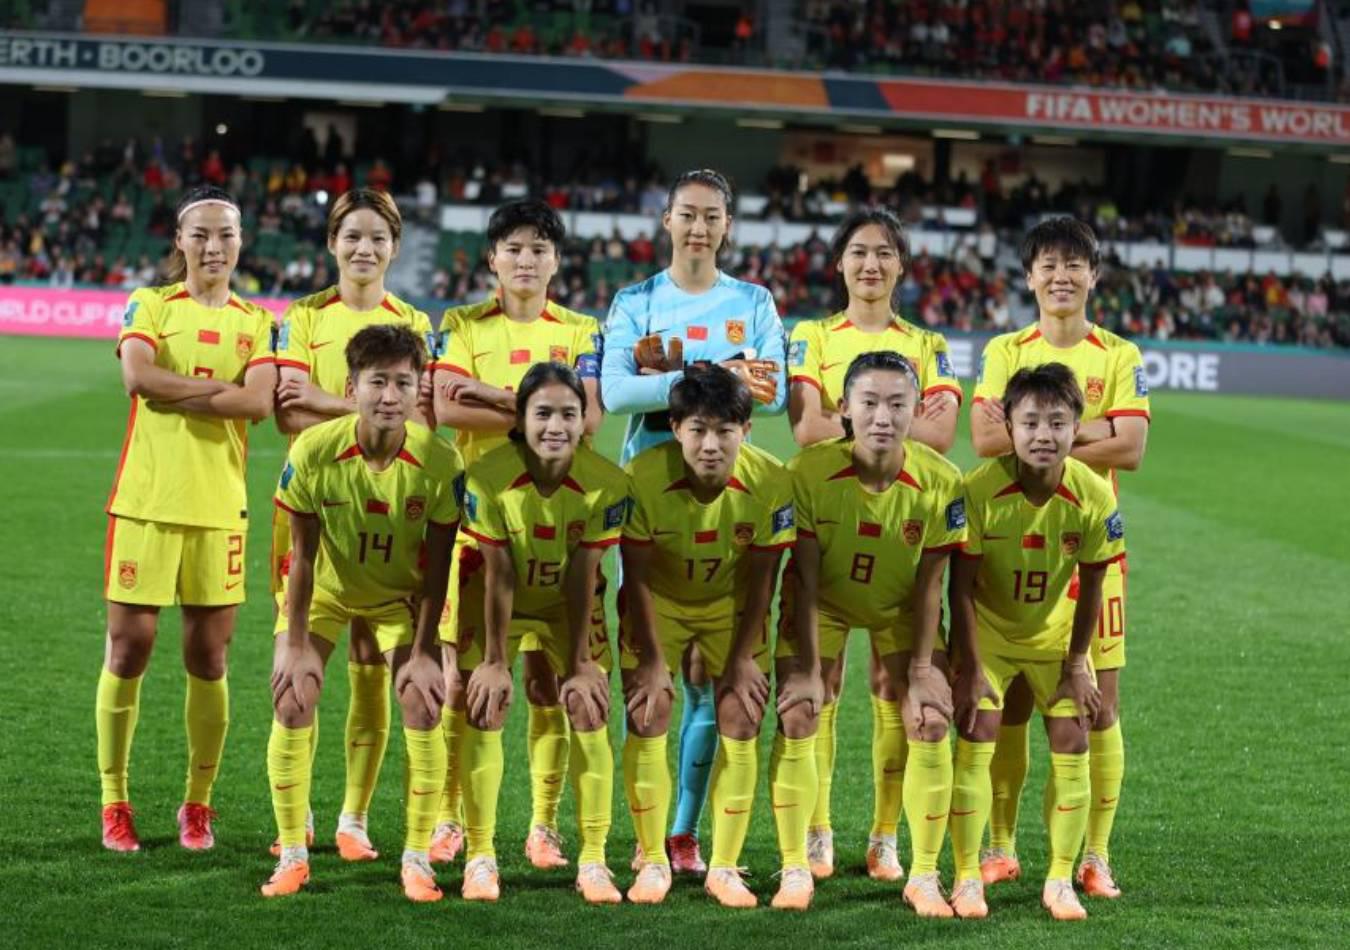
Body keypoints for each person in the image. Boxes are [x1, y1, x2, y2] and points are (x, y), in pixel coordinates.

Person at [601, 168, 786, 874]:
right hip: (650, 492)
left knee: (711, 672)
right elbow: (614, 391)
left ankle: (682, 832)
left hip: (726, 492)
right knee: (649, 671)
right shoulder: (636, 300)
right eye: (688, 213)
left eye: (712, 215)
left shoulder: (754, 300)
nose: (699, 227)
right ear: (667, 220)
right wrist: (711, 377)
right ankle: (646, 835)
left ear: (727, 225)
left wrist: (686, 379)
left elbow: (772, 393)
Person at [970, 217, 1150, 898]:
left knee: (1099, 707)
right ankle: (1001, 845)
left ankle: (1095, 855)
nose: (1061, 276)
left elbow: (1132, 449)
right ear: (1029, 276)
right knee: (1013, 702)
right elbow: (985, 441)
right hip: (1017, 550)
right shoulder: (1004, 349)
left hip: (1092, 553)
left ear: (1094, 275)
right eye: (1048, 264)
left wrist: (1043, 434)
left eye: (1074, 264)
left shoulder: (1119, 354)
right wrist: (1091, 429)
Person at [785, 206, 963, 882]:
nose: (870, 264)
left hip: (901, 544)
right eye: (858, 251)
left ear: (901, 265)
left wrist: (855, 419)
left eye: (884, 252)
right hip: (831, 527)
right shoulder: (811, 335)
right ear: (838, 264)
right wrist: (890, 423)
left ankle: (885, 836)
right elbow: (804, 431)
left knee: (896, 687)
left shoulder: (929, 344)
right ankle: (818, 830)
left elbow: (942, 438)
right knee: (819, 685)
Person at [97, 184, 275, 852]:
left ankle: (197, 805)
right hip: (145, 501)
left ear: (241, 242)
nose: (213, 245)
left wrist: (183, 393)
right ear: (179, 240)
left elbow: (258, 404)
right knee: (129, 647)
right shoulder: (150, 304)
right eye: (200, 233)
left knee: (209, 656)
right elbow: (138, 379)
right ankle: (115, 801)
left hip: (218, 507)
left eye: (225, 233)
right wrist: (222, 390)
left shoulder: (258, 321)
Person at [431, 199, 603, 870]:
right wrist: (540, 406)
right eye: (514, 248)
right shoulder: (460, 324)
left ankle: (543, 825)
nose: (526, 260)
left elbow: (587, 421)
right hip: (479, 530)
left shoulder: (582, 329)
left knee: (545, 682)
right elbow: (445, 407)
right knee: (462, 681)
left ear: (556, 261)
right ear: (492, 259)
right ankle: (449, 818)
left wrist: (491, 395)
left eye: (539, 249)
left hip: (560, 531)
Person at [263, 325, 462, 902]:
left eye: (403, 383)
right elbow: (301, 557)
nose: (390, 396)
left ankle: (416, 858)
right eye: (378, 382)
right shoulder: (313, 450)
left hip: (398, 598)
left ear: (419, 389)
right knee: (293, 694)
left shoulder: (440, 461)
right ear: (351, 388)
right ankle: (293, 855)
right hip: (325, 592)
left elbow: (438, 569)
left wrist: (424, 652)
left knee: (423, 699)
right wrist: (294, 642)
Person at [269, 188, 437, 862]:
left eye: (377, 237)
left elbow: (421, 419)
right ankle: (299, 810)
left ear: (394, 247)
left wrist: (325, 399)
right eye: (352, 236)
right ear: (331, 242)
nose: (364, 248)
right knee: (299, 665)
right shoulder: (302, 317)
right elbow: (287, 414)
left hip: (392, 513)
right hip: (312, 507)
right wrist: (364, 411)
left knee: (371, 668)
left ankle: (354, 817)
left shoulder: (415, 322)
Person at [948, 363, 1126, 921]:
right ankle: (967, 875)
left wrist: (1077, 663)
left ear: (1076, 428)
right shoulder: (978, 490)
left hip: (1054, 636)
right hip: (990, 635)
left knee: (1074, 736)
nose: (1043, 435)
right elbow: (960, 588)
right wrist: (969, 664)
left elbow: (1093, 585)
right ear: (1008, 426)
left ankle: (1060, 879)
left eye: (1057, 423)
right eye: (1029, 423)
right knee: (978, 728)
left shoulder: (1094, 495)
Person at [450, 363, 630, 904]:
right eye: (543, 413)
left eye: (568, 414)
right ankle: (480, 856)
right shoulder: (486, 477)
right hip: (495, 596)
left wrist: (580, 664)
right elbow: (499, 573)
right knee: (484, 706)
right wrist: (494, 661)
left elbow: (584, 575)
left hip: (565, 602)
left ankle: (593, 859)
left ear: (584, 421)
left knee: (589, 708)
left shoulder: (608, 483)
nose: (556, 426)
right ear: (521, 420)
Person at [618, 366, 795, 908]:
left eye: (725, 430)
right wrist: (652, 659)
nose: (711, 445)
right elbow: (634, 576)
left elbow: (764, 579)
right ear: (675, 428)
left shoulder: (772, 483)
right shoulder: (641, 478)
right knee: (648, 710)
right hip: (659, 604)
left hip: (729, 606)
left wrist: (742, 659)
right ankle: (653, 860)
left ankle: (724, 867)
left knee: (742, 713)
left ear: (747, 429)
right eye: (697, 430)